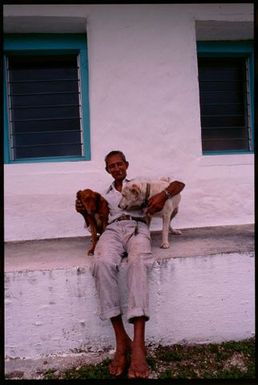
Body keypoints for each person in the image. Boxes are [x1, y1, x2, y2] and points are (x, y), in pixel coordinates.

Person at [75, 150, 185, 378]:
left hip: (137, 227)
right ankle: (121, 340)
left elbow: (179, 184)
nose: (116, 168)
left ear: (126, 165)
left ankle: (138, 345)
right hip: (113, 230)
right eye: (111, 166)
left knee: (138, 262)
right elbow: (94, 221)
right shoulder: (101, 195)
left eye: (119, 164)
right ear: (107, 170)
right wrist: (83, 211)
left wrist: (163, 195)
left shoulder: (140, 184)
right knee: (101, 262)